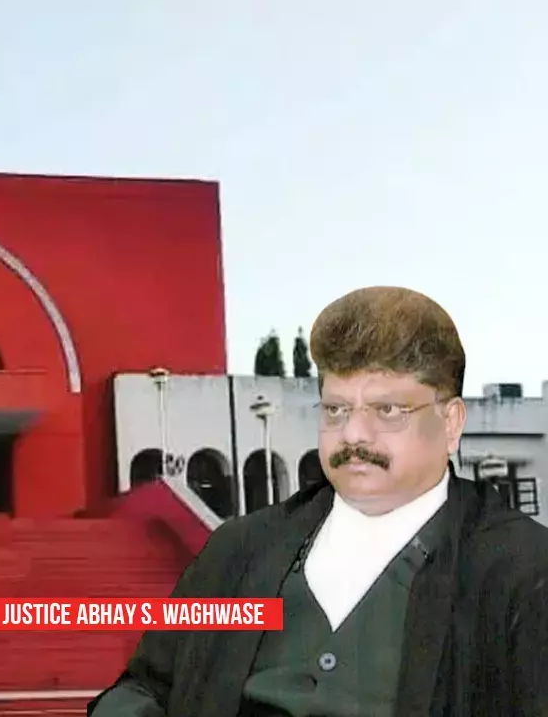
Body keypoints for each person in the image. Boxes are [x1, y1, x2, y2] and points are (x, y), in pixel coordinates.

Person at [89, 286, 548, 716]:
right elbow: (146, 687)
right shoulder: (239, 551)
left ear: (451, 423)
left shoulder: (523, 573)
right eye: (336, 409)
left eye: (387, 410)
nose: (353, 434)